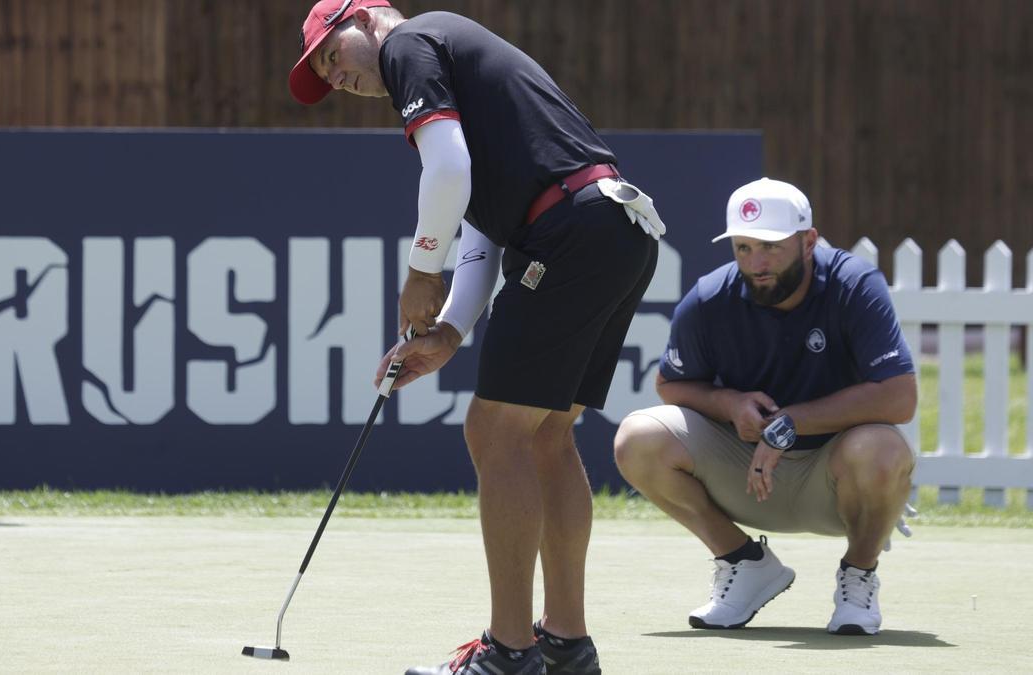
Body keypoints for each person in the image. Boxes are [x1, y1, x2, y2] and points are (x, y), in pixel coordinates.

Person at [290, 1, 665, 672]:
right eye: (321, 70)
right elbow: (485, 225)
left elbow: (450, 172)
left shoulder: (407, 43)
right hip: (615, 230)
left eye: (331, 51)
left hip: (571, 232)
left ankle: (509, 652)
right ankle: (565, 645)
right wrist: (451, 330)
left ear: (368, 16)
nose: (332, 73)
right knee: (545, 434)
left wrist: (418, 273)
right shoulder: (448, 59)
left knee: (495, 432)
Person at [613, 177, 917, 636]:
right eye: (744, 248)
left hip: (836, 483)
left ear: (809, 241)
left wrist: (792, 422)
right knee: (638, 437)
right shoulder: (710, 297)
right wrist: (727, 402)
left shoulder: (855, 285)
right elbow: (670, 386)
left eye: (771, 247)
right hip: (747, 476)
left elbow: (900, 396)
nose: (756, 263)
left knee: (884, 449)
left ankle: (859, 574)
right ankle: (743, 561)